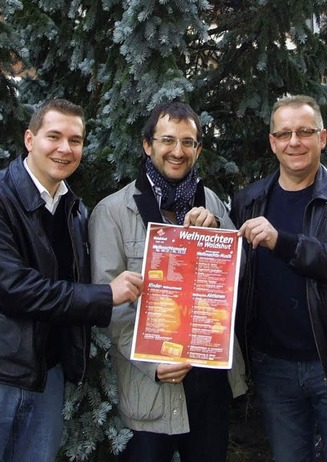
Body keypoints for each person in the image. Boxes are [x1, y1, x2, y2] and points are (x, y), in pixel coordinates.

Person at [88, 101, 247, 462]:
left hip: (209, 383)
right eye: (167, 140)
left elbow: (237, 282)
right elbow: (109, 303)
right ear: (148, 145)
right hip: (150, 386)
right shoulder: (113, 212)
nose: (178, 151)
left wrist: (218, 233)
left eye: (188, 142)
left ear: (198, 149)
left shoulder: (214, 204)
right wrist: (151, 364)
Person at [230, 94, 327, 462]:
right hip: (273, 366)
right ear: (272, 142)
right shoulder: (249, 199)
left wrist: (281, 241)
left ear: (322, 138)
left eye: (304, 132)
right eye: (284, 134)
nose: (294, 141)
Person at [0, 99, 143, 462]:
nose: (65, 149)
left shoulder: (74, 210)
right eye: (54, 136)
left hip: (47, 376)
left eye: (75, 140)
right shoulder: (2, 198)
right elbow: (13, 288)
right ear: (30, 139)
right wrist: (105, 295)